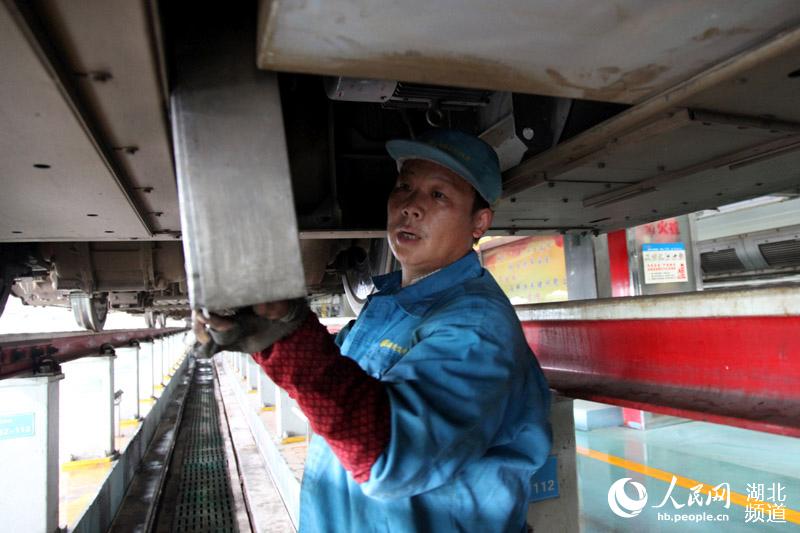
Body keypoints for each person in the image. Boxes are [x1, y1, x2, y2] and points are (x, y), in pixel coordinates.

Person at [196, 129, 552, 532]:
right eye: (405, 186)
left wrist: (285, 337)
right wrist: (258, 332)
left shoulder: (475, 326)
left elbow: (390, 455)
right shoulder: (391, 306)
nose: (412, 206)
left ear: (479, 223)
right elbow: (331, 381)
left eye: (438, 195)